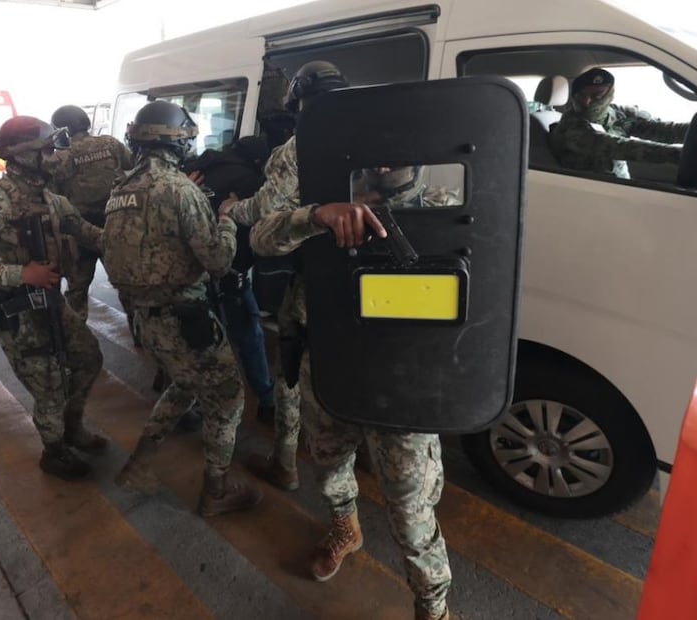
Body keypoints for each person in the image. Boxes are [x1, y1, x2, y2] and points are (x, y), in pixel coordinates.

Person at [244, 60, 454, 620]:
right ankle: (345, 527)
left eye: (395, 156)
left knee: (410, 504)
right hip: (328, 344)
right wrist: (317, 215)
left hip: (401, 365)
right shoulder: (310, 163)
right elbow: (263, 234)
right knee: (330, 459)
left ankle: (432, 605)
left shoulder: (435, 202)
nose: (383, 164)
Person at [103, 100, 262, 518]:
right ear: (180, 142)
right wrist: (226, 218)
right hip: (186, 319)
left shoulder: (121, 190)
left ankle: (138, 465)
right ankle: (216, 491)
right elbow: (219, 261)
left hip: (146, 319)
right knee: (228, 397)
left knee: (184, 385)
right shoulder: (181, 190)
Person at [0, 116, 108, 481]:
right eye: (48, 151)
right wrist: (22, 274)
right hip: (18, 310)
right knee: (48, 387)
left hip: (50, 300)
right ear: (23, 156)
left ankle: (72, 428)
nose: (56, 158)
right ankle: (54, 452)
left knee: (88, 357)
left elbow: (88, 233)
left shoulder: (50, 199)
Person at [220, 60, 352, 493]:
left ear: (297, 102)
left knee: (291, 372)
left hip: (316, 280)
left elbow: (263, 211)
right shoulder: (375, 133)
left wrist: (231, 208)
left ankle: (284, 463)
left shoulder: (298, 146)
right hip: (375, 279)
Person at [187, 136, 278, 428]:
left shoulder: (196, 169)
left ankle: (194, 403)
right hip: (232, 272)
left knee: (200, 340)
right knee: (250, 337)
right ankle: (266, 400)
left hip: (195, 273)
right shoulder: (253, 180)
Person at [45, 104, 133, 320]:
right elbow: (132, 165)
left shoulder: (61, 157)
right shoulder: (110, 143)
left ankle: (76, 333)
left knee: (77, 290)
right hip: (114, 226)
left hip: (79, 232)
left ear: (61, 130)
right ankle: (140, 329)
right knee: (128, 285)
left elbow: (51, 196)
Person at [549, 67, 690, 179]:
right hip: (586, 194)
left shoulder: (619, 114)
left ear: (609, 95)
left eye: (597, 96)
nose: (587, 102)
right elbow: (619, 147)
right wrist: (677, 155)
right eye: (581, 95)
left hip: (619, 189)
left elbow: (662, 130)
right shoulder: (569, 126)